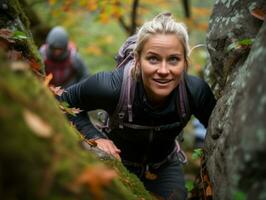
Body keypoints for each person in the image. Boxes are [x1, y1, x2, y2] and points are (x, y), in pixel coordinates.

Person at [60, 13, 216, 200]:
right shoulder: (110, 87)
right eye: (153, 59)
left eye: (174, 59)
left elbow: (220, 134)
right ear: (137, 60)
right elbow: (63, 100)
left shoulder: (195, 92)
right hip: (117, 162)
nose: (164, 71)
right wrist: (94, 137)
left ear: (185, 62)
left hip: (164, 166)